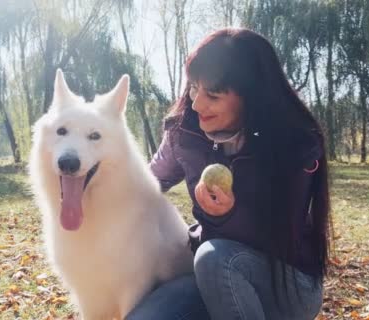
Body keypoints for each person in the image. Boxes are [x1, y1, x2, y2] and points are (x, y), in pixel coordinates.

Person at [126, 27, 330, 320]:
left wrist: (229, 215)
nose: (197, 104)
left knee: (214, 258)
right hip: (215, 280)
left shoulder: (294, 142)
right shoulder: (184, 132)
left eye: (213, 95)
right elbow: (147, 184)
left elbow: (282, 230)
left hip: (287, 284)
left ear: (252, 96)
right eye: (194, 88)